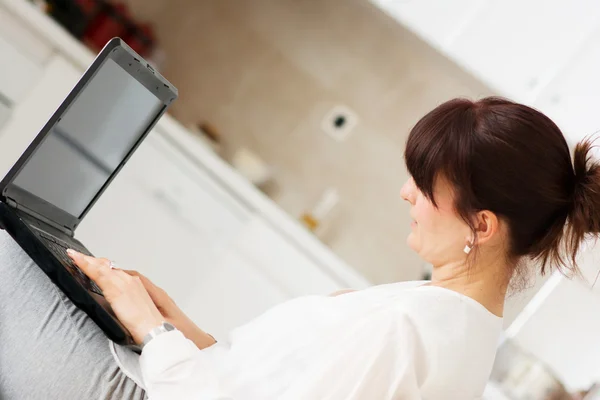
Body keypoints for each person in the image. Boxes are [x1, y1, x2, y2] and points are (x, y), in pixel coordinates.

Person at [2, 97, 599, 399]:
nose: (405, 194)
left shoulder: (407, 332)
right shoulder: (445, 322)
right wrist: (178, 330)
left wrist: (155, 337)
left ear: (482, 225)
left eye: (424, 186)